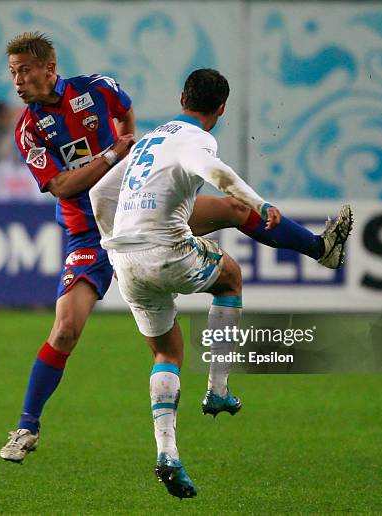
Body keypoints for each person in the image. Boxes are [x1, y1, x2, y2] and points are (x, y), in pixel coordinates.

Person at [0, 32, 353, 465]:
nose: (17, 80)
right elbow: (60, 186)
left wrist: (128, 159)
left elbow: (125, 109)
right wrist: (113, 157)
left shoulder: (95, 89)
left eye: (24, 70)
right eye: (13, 72)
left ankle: (321, 249)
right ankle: (26, 427)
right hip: (88, 234)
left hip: (137, 209)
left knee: (234, 210)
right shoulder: (28, 129)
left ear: (49, 69)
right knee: (65, 330)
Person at [89, 69, 352, 498]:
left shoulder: (153, 138)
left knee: (166, 351)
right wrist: (260, 201)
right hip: (164, 249)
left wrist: (112, 248)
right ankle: (218, 389)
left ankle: (168, 453)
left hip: (124, 257)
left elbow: (100, 195)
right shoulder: (197, 140)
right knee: (230, 276)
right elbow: (214, 170)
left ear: (181, 97)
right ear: (222, 109)